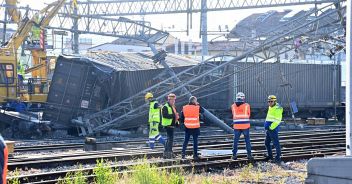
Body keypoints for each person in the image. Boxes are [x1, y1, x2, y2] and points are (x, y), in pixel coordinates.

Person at [180, 96, 204, 160]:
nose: (196, 102)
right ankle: (195, 155)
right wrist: (198, 104)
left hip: (187, 127)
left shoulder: (184, 108)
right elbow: (203, 111)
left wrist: (185, 122)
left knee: (186, 141)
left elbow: (181, 118)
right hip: (195, 127)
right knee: (195, 141)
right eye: (196, 100)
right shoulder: (197, 107)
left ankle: (183, 154)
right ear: (193, 101)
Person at [231, 92, 253, 161]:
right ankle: (249, 155)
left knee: (235, 141)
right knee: (247, 141)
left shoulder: (233, 106)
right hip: (245, 125)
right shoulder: (247, 105)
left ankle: (234, 155)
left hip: (237, 126)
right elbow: (249, 114)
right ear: (243, 98)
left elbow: (233, 115)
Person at [264, 95, 283, 164]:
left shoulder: (277, 109)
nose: (269, 103)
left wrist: (270, 127)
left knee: (276, 143)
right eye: (268, 101)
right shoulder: (271, 107)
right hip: (269, 129)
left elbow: (277, 120)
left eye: (271, 101)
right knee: (267, 143)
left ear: (275, 101)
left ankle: (278, 157)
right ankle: (270, 156)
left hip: (272, 129)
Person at [162, 93, 179, 159]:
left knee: (169, 140)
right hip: (168, 125)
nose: (174, 101)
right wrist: (173, 116)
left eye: (174, 100)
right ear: (169, 100)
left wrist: (177, 123)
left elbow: (176, 116)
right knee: (170, 140)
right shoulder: (165, 107)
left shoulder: (173, 107)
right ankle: (169, 154)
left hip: (172, 125)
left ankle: (166, 153)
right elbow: (165, 115)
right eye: (172, 100)